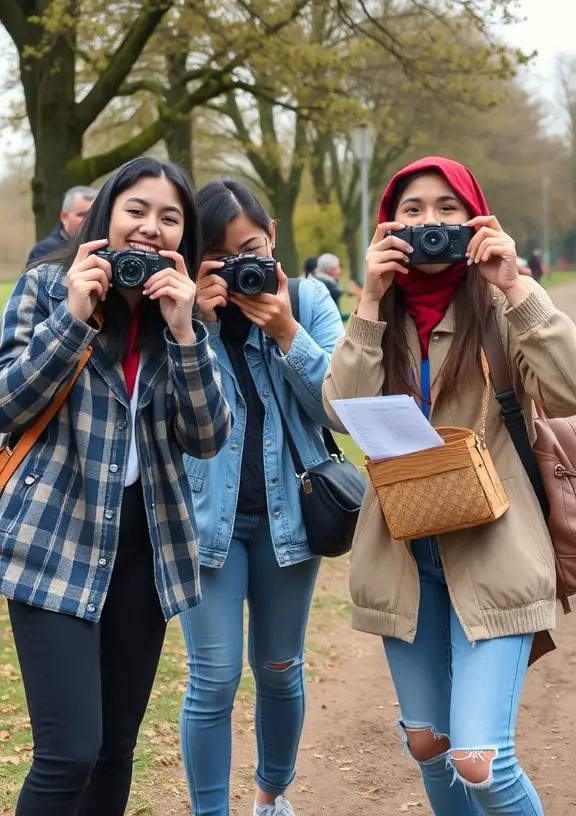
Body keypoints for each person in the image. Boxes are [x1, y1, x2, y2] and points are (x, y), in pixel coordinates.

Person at [322, 156, 576, 816]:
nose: (429, 223)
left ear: (475, 220)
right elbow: (340, 409)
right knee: (432, 746)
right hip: (405, 555)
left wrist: (517, 286)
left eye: (446, 209)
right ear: (388, 226)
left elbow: (570, 388)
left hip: (495, 550)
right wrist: (371, 302)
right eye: (412, 210)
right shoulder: (380, 315)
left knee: (479, 761)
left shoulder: (497, 307)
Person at [0, 156, 232, 816]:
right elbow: (7, 405)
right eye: (137, 210)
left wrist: (187, 331)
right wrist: (74, 315)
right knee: (69, 751)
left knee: (114, 751)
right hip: (53, 546)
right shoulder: (47, 287)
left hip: (144, 557)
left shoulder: (178, 318)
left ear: (183, 237)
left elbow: (208, 436)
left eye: (169, 218)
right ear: (107, 216)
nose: (151, 228)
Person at [180, 178, 344, 816]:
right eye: (221, 258)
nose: (241, 268)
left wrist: (285, 333)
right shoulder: (181, 314)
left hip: (289, 521)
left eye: (251, 249)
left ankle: (271, 796)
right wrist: (190, 324)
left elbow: (338, 412)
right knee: (213, 680)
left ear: (272, 237)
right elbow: (162, 412)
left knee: (279, 668)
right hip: (206, 521)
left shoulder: (308, 299)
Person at [27, 186, 98, 264]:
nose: (89, 219)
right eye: (82, 215)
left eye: (94, 214)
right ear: (64, 217)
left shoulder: (104, 245)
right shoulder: (45, 252)